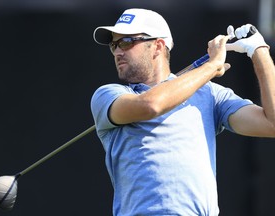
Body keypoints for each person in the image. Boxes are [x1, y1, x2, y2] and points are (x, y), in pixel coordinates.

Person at [90, 8, 275, 216]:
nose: (117, 52)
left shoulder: (211, 94)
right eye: (114, 45)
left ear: (157, 46)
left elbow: (271, 124)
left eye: (126, 42)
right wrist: (212, 66)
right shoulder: (108, 95)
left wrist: (259, 50)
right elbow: (151, 105)